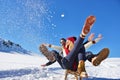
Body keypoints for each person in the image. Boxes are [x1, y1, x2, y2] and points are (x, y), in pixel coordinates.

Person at [39, 15, 109, 77]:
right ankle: (83, 35)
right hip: (66, 63)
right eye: (61, 42)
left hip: (76, 64)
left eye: (63, 41)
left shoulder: (74, 47)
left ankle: (94, 59)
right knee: (54, 52)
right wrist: (46, 64)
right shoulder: (62, 49)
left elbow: (86, 45)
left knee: (86, 51)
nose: (62, 43)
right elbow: (54, 50)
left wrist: (94, 40)